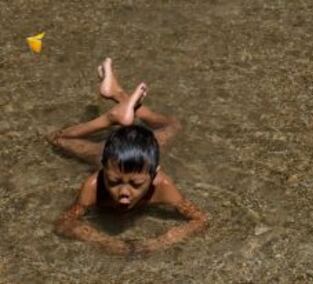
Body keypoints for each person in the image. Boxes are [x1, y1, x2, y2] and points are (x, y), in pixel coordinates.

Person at [47, 58, 207, 255]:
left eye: (136, 183)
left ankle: (118, 97)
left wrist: (161, 242)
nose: (124, 192)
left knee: (174, 126)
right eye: (114, 182)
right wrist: (104, 242)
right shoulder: (94, 187)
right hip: (104, 152)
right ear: (103, 170)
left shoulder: (162, 186)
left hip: (143, 149)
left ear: (154, 175)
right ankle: (111, 117)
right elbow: (64, 223)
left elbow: (200, 220)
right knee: (57, 139)